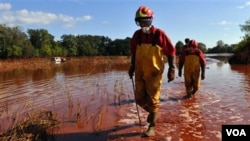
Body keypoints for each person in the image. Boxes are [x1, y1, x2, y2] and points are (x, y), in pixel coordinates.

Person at [128, 5, 176, 137]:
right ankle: (153, 113)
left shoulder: (160, 34)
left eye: (145, 20)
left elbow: (171, 52)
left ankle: (152, 126)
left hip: (154, 73)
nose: (143, 23)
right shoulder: (137, 35)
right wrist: (132, 66)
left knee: (153, 99)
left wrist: (172, 68)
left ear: (151, 20)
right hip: (139, 71)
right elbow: (133, 52)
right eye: (140, 21)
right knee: (139, 99)